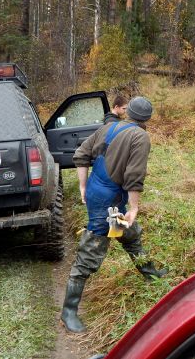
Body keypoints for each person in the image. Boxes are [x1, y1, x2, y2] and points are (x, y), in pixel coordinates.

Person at [61, 96, 166, 333]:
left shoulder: (108, 127)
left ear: (129, 112)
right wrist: (134, 207)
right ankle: (68, 312)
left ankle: (151, 273)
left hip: (99, 191)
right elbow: (134, 175)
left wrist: (83, 185)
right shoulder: (140, 137)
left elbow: (81, 154)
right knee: (91, 251)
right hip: (108, 199)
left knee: (127, 233)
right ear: (147, 118)